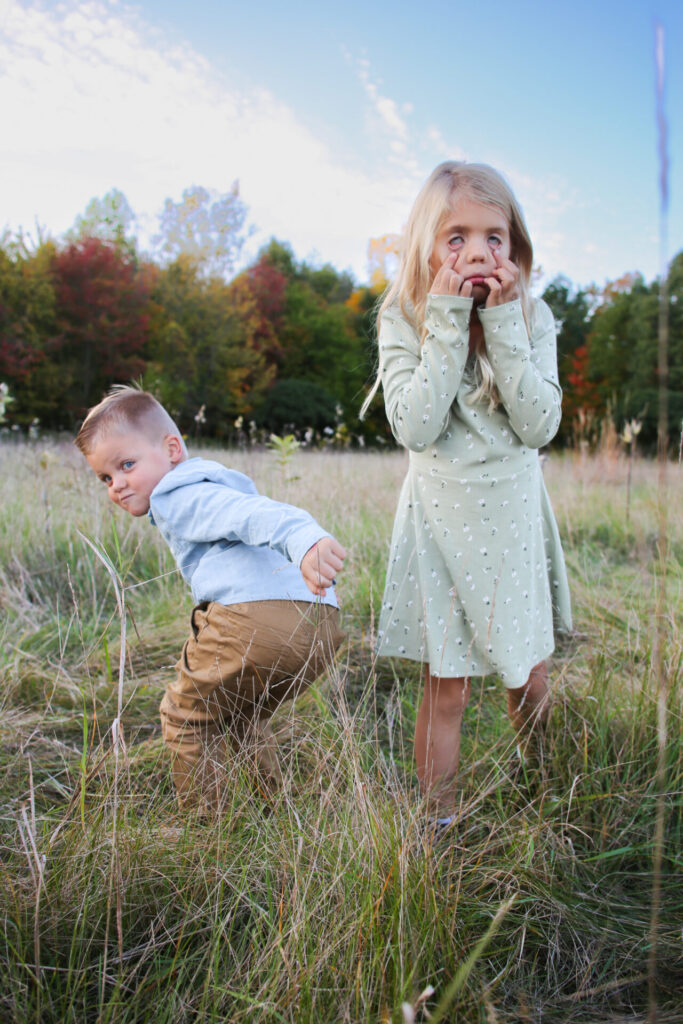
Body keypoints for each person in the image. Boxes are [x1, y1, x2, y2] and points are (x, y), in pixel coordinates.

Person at [363, 161, 571, 825]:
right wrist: (449, 318)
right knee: (445, 684)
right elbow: (414, 425)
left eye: (493, 237)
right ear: (426, 246)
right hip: (439, 519)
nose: (477, 251)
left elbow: (539, 423)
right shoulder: (403, 316)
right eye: (455, 237)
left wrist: (504, 325)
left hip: (510, 514)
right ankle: (438, 820)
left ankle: (544, 788)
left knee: (527, 674)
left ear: (515, 248)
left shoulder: (531, 316)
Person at [75, 386, 345, 816]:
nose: (117, 485)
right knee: (237, 716)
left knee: (183, 715)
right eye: (106, 478)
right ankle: (268, 812)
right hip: (318, 626)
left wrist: (303, 536)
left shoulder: (179, 492)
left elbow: (251, 516)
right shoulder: (216, 480)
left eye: (127, 465)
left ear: (172, 449)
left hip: (257, 621)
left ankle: (208, 827)